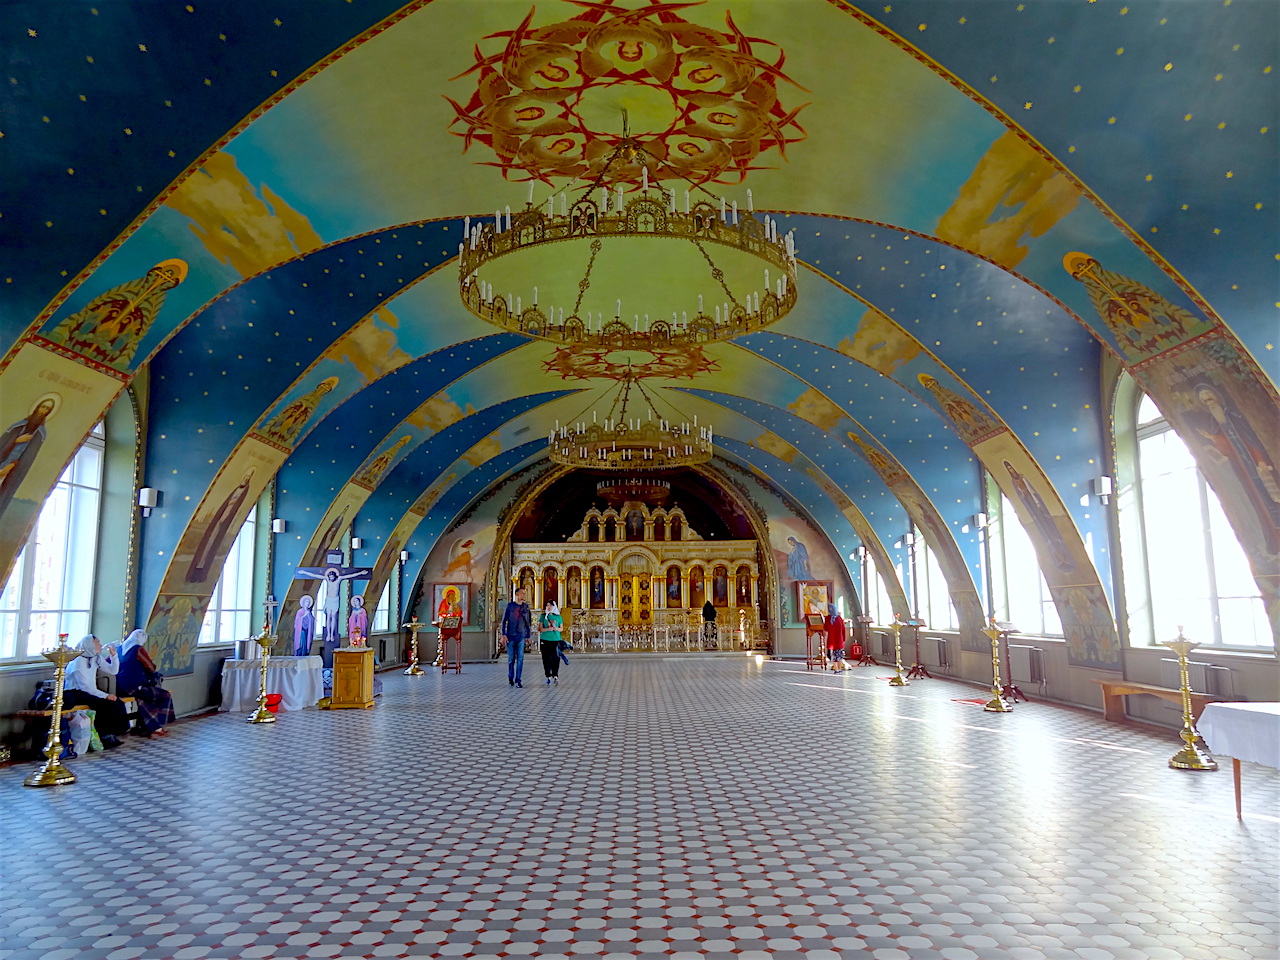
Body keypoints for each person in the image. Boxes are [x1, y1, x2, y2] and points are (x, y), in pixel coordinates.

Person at [62, 635, 130, 749]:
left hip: (90, 692)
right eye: (97, 643)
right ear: (90, 645)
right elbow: (84, 687)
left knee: (117, 703)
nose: (100, 645)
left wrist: (114, 655)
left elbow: (113, 670)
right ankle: (104, 735)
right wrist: (105, 695)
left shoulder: (95, 657)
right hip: (75, 693)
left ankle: (114, 733)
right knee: (104, 705)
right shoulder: (78, 661)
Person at [116, 629, 176, 737]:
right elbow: (151, 667)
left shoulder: (119, 649)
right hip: (134, 686)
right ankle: (159, 726)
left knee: (142, 700)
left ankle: (147, 728)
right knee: (165, 695)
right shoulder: (138, 649)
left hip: (120, 687)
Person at [500, 586, 532, 687]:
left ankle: (518, 680)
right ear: (517, 594)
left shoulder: (525, 607)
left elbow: (528, 622)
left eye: (524, 593)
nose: (524, 595)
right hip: (510, 635)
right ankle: (510, 676)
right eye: (522, 593)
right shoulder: (510, 606)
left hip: (521, 635)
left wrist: (528, 635)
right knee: (511, 659)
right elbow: (504, 621)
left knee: (520, 658)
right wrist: (503, 634)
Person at [538, 600, 564, 685]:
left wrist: (555, 628)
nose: (548, 607)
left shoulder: (558, 617)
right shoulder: (543, 616)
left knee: (556, 658)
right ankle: (548, 675)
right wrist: (548, 629)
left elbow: (561, 629)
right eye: (547, 605)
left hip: (555, 640)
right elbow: (540, 629)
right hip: (545, 639)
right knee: (546, 658)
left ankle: (555, 675)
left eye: (550, 606)